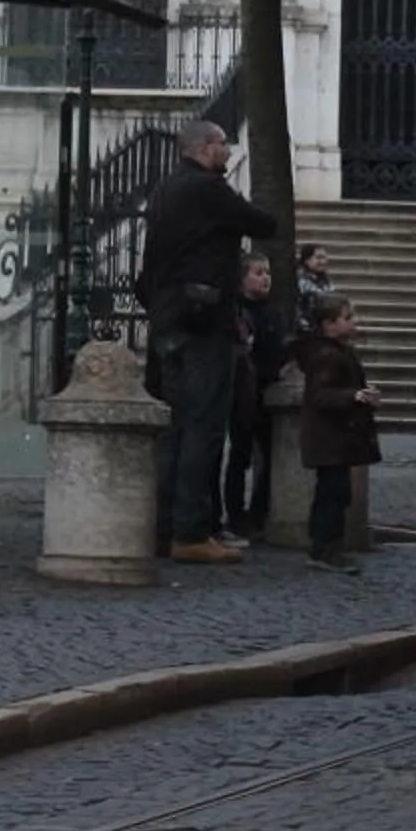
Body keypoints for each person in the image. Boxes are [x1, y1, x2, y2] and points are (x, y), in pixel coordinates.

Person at [136, 120, 275, 562]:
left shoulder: (163, 190)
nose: (230, 151)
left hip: (167, 320)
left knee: (175, 429)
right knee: (204, 427)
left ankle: (164, 528)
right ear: (203, 147)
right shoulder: (207, 189)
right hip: (203, 322)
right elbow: (263, 223)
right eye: (223, 144)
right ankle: (191, 532)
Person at [297, 291, 380, 573]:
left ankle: (327, 546)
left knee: (336, 492)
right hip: (330, 439)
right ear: (329, 325)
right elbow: (320, 395)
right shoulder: (326, 356)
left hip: (336, 440)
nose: (354, 322)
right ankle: (325, 548)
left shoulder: (335, 352)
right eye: (348, 317)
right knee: (332, 494)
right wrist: (354, 396)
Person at [222, 251, 287, 534]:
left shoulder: (275, 311)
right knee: (240, 455)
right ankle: (236, 515)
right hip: (244, 392)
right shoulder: (237, 310)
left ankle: (258, 511)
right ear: (242, 279)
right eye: (258, 273)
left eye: (267, 273)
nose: (265, 278)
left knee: (272, 455)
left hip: (270, 389)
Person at [295, 241, 333, 332]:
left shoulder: (325, 280)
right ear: (307, 260)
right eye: (319, 258)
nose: (323, 262)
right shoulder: (300, 279)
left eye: (324, 258)